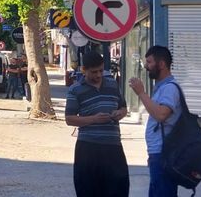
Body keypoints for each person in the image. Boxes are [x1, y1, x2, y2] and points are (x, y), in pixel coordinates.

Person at [66, 50, 129, 197]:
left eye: (101, 70)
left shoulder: (113, 85)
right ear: (84, 70)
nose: (98, 75)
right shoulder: (75, 90)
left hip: (113, 147)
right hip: (88, 148)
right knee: (88, 190)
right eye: (94, 72)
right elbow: (69, 118)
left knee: (118, 189)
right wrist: (94, 119)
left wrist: (120, 114)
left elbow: (123, 107)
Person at [129, 46, 181, 197]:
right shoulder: (162, 87)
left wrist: (141, 93)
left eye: (150, 62)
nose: (146, 66)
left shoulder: (170, 88)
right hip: (158, 154)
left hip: (164, 155)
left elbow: (161, 115)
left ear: (162, 64)